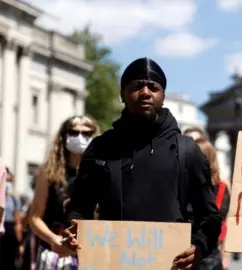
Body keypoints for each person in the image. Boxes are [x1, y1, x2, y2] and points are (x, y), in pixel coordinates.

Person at [62, 57, 222, 269]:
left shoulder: (187, 151)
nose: (145, 92)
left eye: (153, 87)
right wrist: (74, 228)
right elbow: (80, 206)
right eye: (137, 86)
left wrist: (199, 247)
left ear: (162, 96)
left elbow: (210, 216)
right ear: (123, 94)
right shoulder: (101, 148)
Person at [29, 115, 100, 270]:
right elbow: (34, 217)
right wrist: (53, 239)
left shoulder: (100, 173)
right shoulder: (48, 173)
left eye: (86, 133)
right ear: (64, 136)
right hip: (54, 255)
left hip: (89, 255)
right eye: (74, 133)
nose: (80, 137)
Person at [194, 138, 231, 270]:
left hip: (210, 257)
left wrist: (225, 257)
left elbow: (227, 224)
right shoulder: (185, 185)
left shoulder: (222, 187)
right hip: (195, 255)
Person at [0, 168, 23, 269]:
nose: (7, 183)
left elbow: (18, 223)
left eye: (9, 181)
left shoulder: (13, 199)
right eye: (6, 180)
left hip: (9, 236)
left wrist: (20, 243)